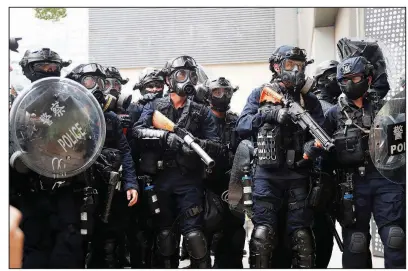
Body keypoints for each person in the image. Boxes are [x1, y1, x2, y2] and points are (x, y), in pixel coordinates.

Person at [236, 45, 323, 268]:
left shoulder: (309, 100)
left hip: (298, 174)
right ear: (276, 66)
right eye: (289, 65)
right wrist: (272, 114)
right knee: (263, 234)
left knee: (302, 237)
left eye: (300, 65)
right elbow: (242, 126)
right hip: (267, 174)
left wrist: (312, 148)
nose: (295, 70)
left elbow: (321, 133)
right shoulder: (260, 93)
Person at [132, 55, 222, 268]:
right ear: (168, 80)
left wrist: (195, 144)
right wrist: (165, 137)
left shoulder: (200, 111)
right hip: (161, 180)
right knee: (165, 238)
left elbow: (217, 145)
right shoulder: (155, 105)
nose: (187, 79)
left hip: (189, 180)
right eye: (181, 74)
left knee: (195, 238)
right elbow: (137, 131)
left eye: (192, 75)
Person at [322, 56, 406, 268]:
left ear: (368, 78)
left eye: (356, 77)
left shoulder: (387, 108)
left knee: (395, 237)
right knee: (355, 242)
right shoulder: (333, 114)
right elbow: (323, 152)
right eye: (345, 79)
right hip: (351, 183)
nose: (350, 83)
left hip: (386, 179)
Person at [11, 48, 89, 269]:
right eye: (41, 67)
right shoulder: (16, 105)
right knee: (34, 245)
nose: (48, 71)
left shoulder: (70, 103)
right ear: (28, 69)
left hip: (64, 185)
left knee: (69, 243)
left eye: (53, 67)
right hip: (30, 190)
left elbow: (86, 139)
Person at [66, 63, 139, 268]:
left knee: (109, 241)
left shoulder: (110, 118)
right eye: (90, 81)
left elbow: (125, 152)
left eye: (100, 82)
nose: (96, 87)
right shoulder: (65, 117)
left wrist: (131, 184)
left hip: (107, 190)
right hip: (77, 190)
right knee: (79, 241)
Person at [200, 76, 246, 268]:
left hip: (233, 185)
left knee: (235, 234)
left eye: (226, 91)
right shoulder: (200, 120)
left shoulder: (236, 121)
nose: (223, 96)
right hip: (206, 187)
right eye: (217, 92)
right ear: (208, 95)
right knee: (205, 234)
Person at [125, 67, 166, 268]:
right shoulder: (133, 109)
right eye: (150, 86)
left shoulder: (168, 107)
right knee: (139, 234)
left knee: (163, 233)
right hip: (140, 179)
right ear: (141, 88)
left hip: (164, 178)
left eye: (159, 85)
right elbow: (128, 148)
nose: (156, 89)